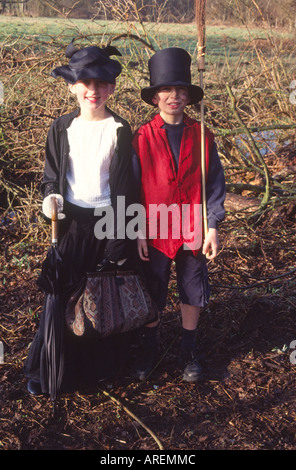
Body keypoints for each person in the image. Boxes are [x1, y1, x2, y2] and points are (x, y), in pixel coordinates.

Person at [25, 40, 135, 395]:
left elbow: (125, 185)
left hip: (108, 220)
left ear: (112, 88)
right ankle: (51, 370)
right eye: (85, 83)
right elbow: (51, 176)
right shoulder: (61, 128)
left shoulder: (120, 128)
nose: (93, 90)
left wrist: (122, 234)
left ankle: (96, 371)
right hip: (71, 222)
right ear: (72, 86)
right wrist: (50, 199)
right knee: (62, 294)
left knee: (100, 296)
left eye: (101, 83)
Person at [131, 47, 226, 382]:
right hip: (155, 228)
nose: (174, 96)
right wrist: (137, 229)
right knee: (153, 288)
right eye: (166, 90)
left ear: (188, 95)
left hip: (192, 226)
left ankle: (188, 350)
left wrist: (212, 225)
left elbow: (214, 182)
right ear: (156, 97)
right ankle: (149, 347)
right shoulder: (141, 137)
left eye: (180, 90)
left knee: (192, 286)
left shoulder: (202, 135)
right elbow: (133, 188)